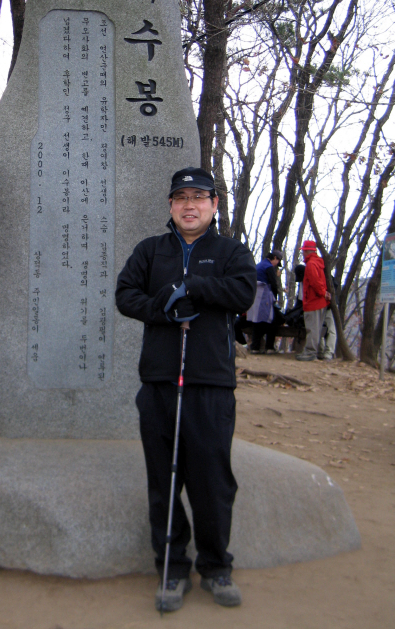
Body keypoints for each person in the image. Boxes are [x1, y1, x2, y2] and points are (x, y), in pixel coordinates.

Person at [115, 167, 256, 611]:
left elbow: (242, 293)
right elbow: (125, 295)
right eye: (181, 198)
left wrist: (194, 286)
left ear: (214, 205)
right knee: (165, 479)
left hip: (211, 384)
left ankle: (216, 566)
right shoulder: (150, 250)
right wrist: (163, 308)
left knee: (213, 481)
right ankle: (172, 568)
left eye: (198, 197)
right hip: (159, 382)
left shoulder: (231, 252)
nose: (189, 205)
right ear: (171, 206)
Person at [296, 241, 331, 361]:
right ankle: (318, 352)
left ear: (307, 251)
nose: (302, 253)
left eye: (303, 251)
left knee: (312, 328)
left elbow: (315, 282)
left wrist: (322, 293)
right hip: (319, 302)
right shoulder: (317, 263)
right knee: (317, 328)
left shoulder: (311, 264)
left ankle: (310, 352)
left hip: (313, 302)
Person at [246, 251, 283, 354]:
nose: (276, 264)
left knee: (257, 321)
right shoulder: (268, 267)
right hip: (264, 297)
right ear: (275, 258)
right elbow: (273, 284)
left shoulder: (259, 265)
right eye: (277, 261)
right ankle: (269, 347)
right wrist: (274, 298)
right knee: (271, 321)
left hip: (255, 298)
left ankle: (255, 347)